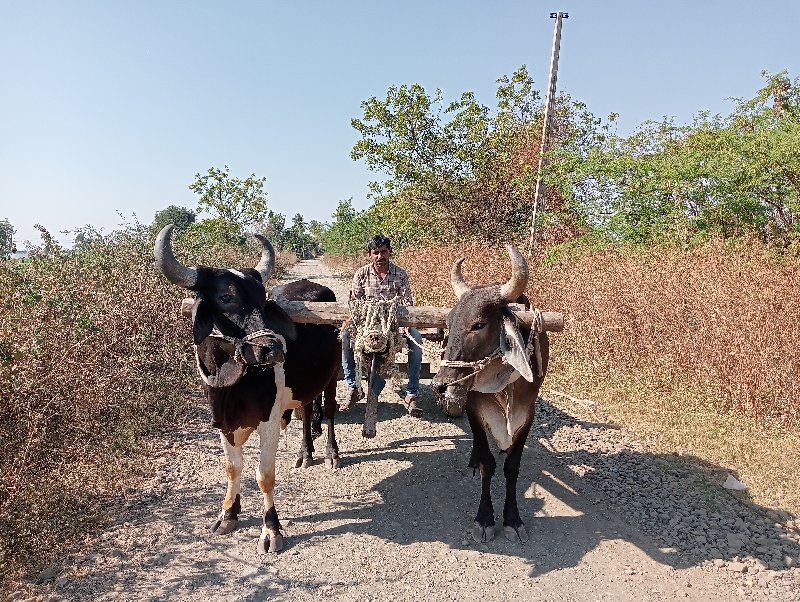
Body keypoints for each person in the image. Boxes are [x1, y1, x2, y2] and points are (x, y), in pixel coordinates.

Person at [340, 234, 424, 418]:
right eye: (376, 252)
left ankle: (412, 392)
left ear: (390, 252)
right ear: (369, 254)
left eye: (383, 252)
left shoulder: (400, 273)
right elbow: (354, 303)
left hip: (394, 325)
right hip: (366, 325)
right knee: (345, 336)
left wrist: (405, 326)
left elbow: (408, 302)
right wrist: (360, 324)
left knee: (417, 339)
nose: (380, 256)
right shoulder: (361, 274)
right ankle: (352, 386)